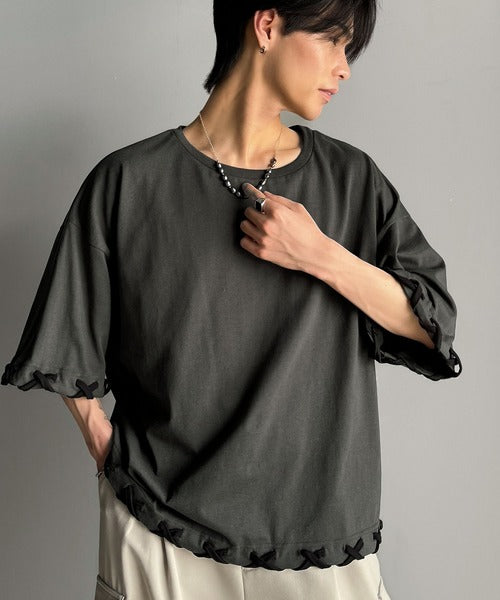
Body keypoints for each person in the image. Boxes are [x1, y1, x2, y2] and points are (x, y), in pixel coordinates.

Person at [2, 1, 463, 599]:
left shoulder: (352, 181)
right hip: (159, 527)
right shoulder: (130, 182)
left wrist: (320, 254)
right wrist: (108, 455)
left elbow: (432, 323)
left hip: (321, 538)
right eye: (334, 40)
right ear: (267, 26)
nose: (344, 67)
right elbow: (66, 339)